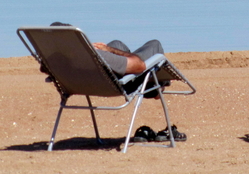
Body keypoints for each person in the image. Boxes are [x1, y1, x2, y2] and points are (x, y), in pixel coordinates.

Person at [49, 22, 184, 142]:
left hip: (82, 85)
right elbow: (139, 66)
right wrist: (108, 51)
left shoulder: (52, 61)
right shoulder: (99, 56)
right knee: (155, 45)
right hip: (119, 84)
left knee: (117, 43)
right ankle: (157, 88)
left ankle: (157, 86)